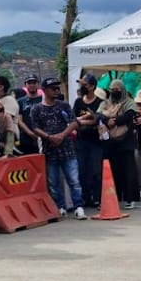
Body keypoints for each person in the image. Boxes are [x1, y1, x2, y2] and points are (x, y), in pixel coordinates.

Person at [29, 77, 86, 219]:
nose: (56, 90)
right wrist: (48, 137)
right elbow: (35, 127)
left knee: (74, 180)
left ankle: (78, 206)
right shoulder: (37, 109)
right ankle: (59, 206)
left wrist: (62, 135)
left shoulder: (64, 106)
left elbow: (74, 122)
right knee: (53, 182)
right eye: (52, 88)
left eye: (57, 88)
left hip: (67, 148)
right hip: (49, 150)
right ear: (45, 90)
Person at [98, 79, 140, 209]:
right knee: (113, 171)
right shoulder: (106, 103)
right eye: (112, 89)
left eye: (117, 89)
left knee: (128, 171)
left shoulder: (129, 103)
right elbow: (97, 115)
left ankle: (129, 199)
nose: (114, 92)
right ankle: (113, 197)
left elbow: (129, 116)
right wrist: (106, 120)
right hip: (111, 143)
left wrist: (114, 121)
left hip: (126, 142)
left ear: (122, 89)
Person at [72, 76, 105, 208]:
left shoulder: (101, 102)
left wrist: (82, 121)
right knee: (81, 171)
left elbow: (98, 119)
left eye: (84, 84)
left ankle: (97, 198)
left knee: (96, 171)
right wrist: (87, 120)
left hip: (96, 142)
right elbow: (73, 120)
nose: (81, 87)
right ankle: (86, 198)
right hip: (81, 142)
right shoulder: (78, 102)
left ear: (91, 86)